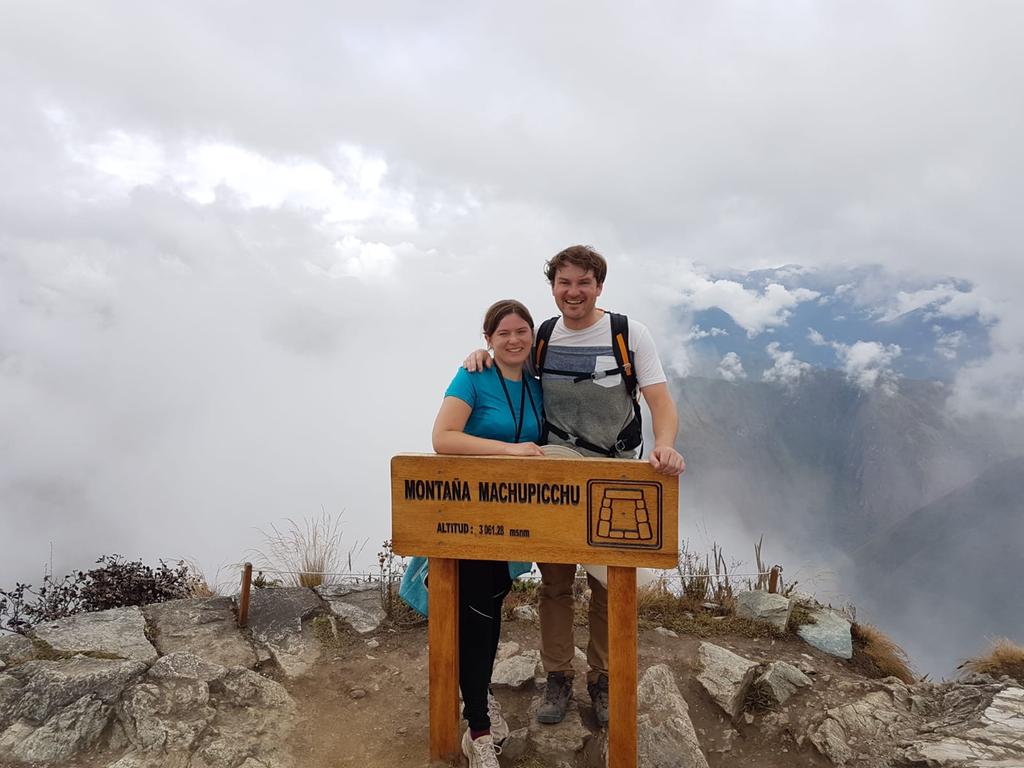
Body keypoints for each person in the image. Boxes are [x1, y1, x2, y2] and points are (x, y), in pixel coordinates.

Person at [465, 245, 685, 728]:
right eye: (565, 283)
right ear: (553, 287)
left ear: (599, 286)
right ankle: (558, 676)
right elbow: (513, 367)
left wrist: (664, 445)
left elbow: (660, 402)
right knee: (557, 583)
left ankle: (602, 679)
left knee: (609, 585)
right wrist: (482, 352)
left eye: (584, 282)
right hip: (558, 474)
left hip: (614, 474)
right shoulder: (542, 335)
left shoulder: (628, 334)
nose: (574, 292)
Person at [402, 299, 544, 768]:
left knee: (488, 610)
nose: (513, 340)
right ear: (488, 340)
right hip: (468, 519)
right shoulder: (472, 376)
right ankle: (478, 731)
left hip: (511, 524)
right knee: (478, 617)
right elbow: (443, 438)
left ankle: (478, 698)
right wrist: (511, 452)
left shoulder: (536, 384)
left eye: (521, 331)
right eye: (502, 333)